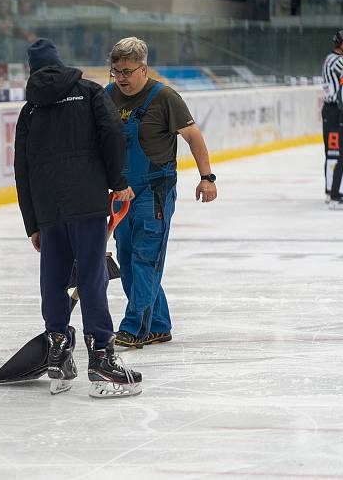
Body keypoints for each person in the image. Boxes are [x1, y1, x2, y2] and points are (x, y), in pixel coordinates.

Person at [14, 38, 142, 397]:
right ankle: (101, 359)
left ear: (33, 70)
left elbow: (21, 170)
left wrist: (33, 224)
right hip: (86, 203)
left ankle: (58, 353)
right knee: (91, 278)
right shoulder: (87, 92)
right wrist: (118, 182)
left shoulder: (30, 110)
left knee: (53, 280)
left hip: (48, 210)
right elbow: (113, 134)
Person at [105, 37, 217, 349]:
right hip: (121, 191)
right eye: (116, 72)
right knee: (127, 259)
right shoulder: (108, 95)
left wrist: (206, 177)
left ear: (143, 68)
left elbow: (193, 136)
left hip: (155, 188)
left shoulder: (164, 96)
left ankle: (134, 328)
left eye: (128, 71)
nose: (122, 78)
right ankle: (158, 325)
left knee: (145, 257)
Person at [322, 30, 343, 208]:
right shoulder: (337, 60)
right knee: (335, 151)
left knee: (333, 151)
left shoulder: (331, 58)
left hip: (332, 110)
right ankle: (333, 191)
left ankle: (332, 190)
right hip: (335, 111)